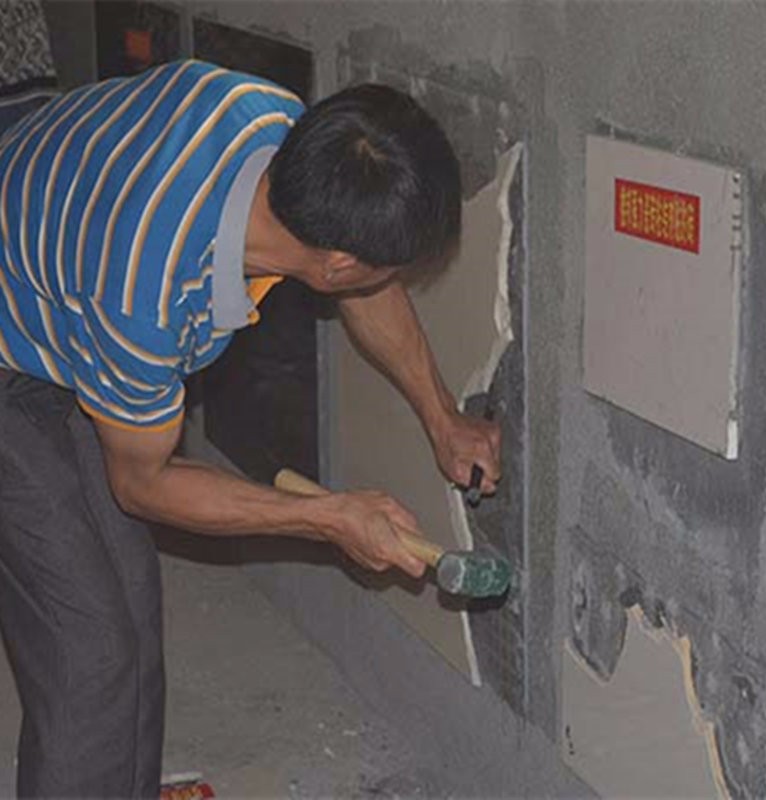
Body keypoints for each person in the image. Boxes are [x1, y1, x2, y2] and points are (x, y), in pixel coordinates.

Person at [0, 59, 501, 797]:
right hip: (23, 333)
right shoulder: (146, 293)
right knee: (92, 648)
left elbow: (365, 283)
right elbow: (143, 484)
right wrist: (329, 518)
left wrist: (443, 418)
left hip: (51, 252)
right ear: (338, 263)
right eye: (381, 267)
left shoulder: (279, 129)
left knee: (131, 606)